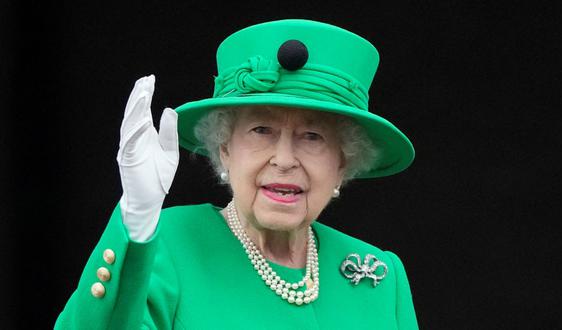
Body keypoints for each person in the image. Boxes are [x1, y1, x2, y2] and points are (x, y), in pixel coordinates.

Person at [55, 18, 419, 329]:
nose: (284, 159)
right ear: (225, 149)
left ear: (342, 163)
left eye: (312, 136)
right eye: (261, 130)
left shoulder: (379, 277)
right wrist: (135, 222)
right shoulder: (165, 245)